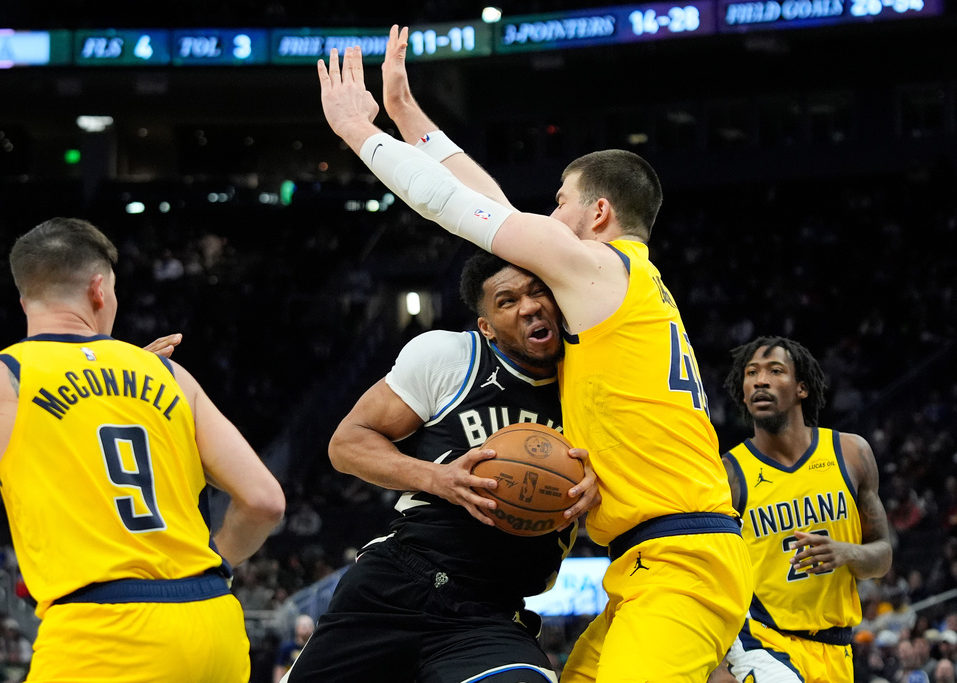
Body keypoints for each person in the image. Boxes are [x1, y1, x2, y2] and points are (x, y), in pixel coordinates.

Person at [317, 28, 751, 681]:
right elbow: (495, 205)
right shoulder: (622, 282)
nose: (545, 216)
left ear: (597, 211)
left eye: (558, 203)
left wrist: (359, 132)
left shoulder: (597, 269)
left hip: (681, 557)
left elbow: (456, 207)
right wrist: (411, 117)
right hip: (648, 562)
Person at [0, 218, 286, 682]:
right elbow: (264, 501)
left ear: (24, 300)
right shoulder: (167, 374)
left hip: (102, 635)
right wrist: (215, 563)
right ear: (99, 289)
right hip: (212, 623)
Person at [282, 251, 599, 683]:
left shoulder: (595, 386)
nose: (528, 307)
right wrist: (439, 478)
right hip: (396, 583)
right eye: (506, 301)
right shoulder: (450, 357)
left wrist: (604, 485)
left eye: (537, 291)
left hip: (488, 611)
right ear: (486, 327)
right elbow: (347, 443)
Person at [719, 337, 892, 682]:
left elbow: (883, 556)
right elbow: (713, 572)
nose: (760, 380)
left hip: (837, 649)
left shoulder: (852, 454)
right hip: (762, 638)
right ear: (743, 393)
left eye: (775, 370)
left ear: (802, 388)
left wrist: (847, 552)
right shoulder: (727, 476)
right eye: (751, 373)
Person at [274, 614, 315, 682]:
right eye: (304, 626)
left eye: (310, 626)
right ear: (297, 628)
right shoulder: (287, 647)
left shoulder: (315, 648)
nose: (307, 629)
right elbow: (279, 668)